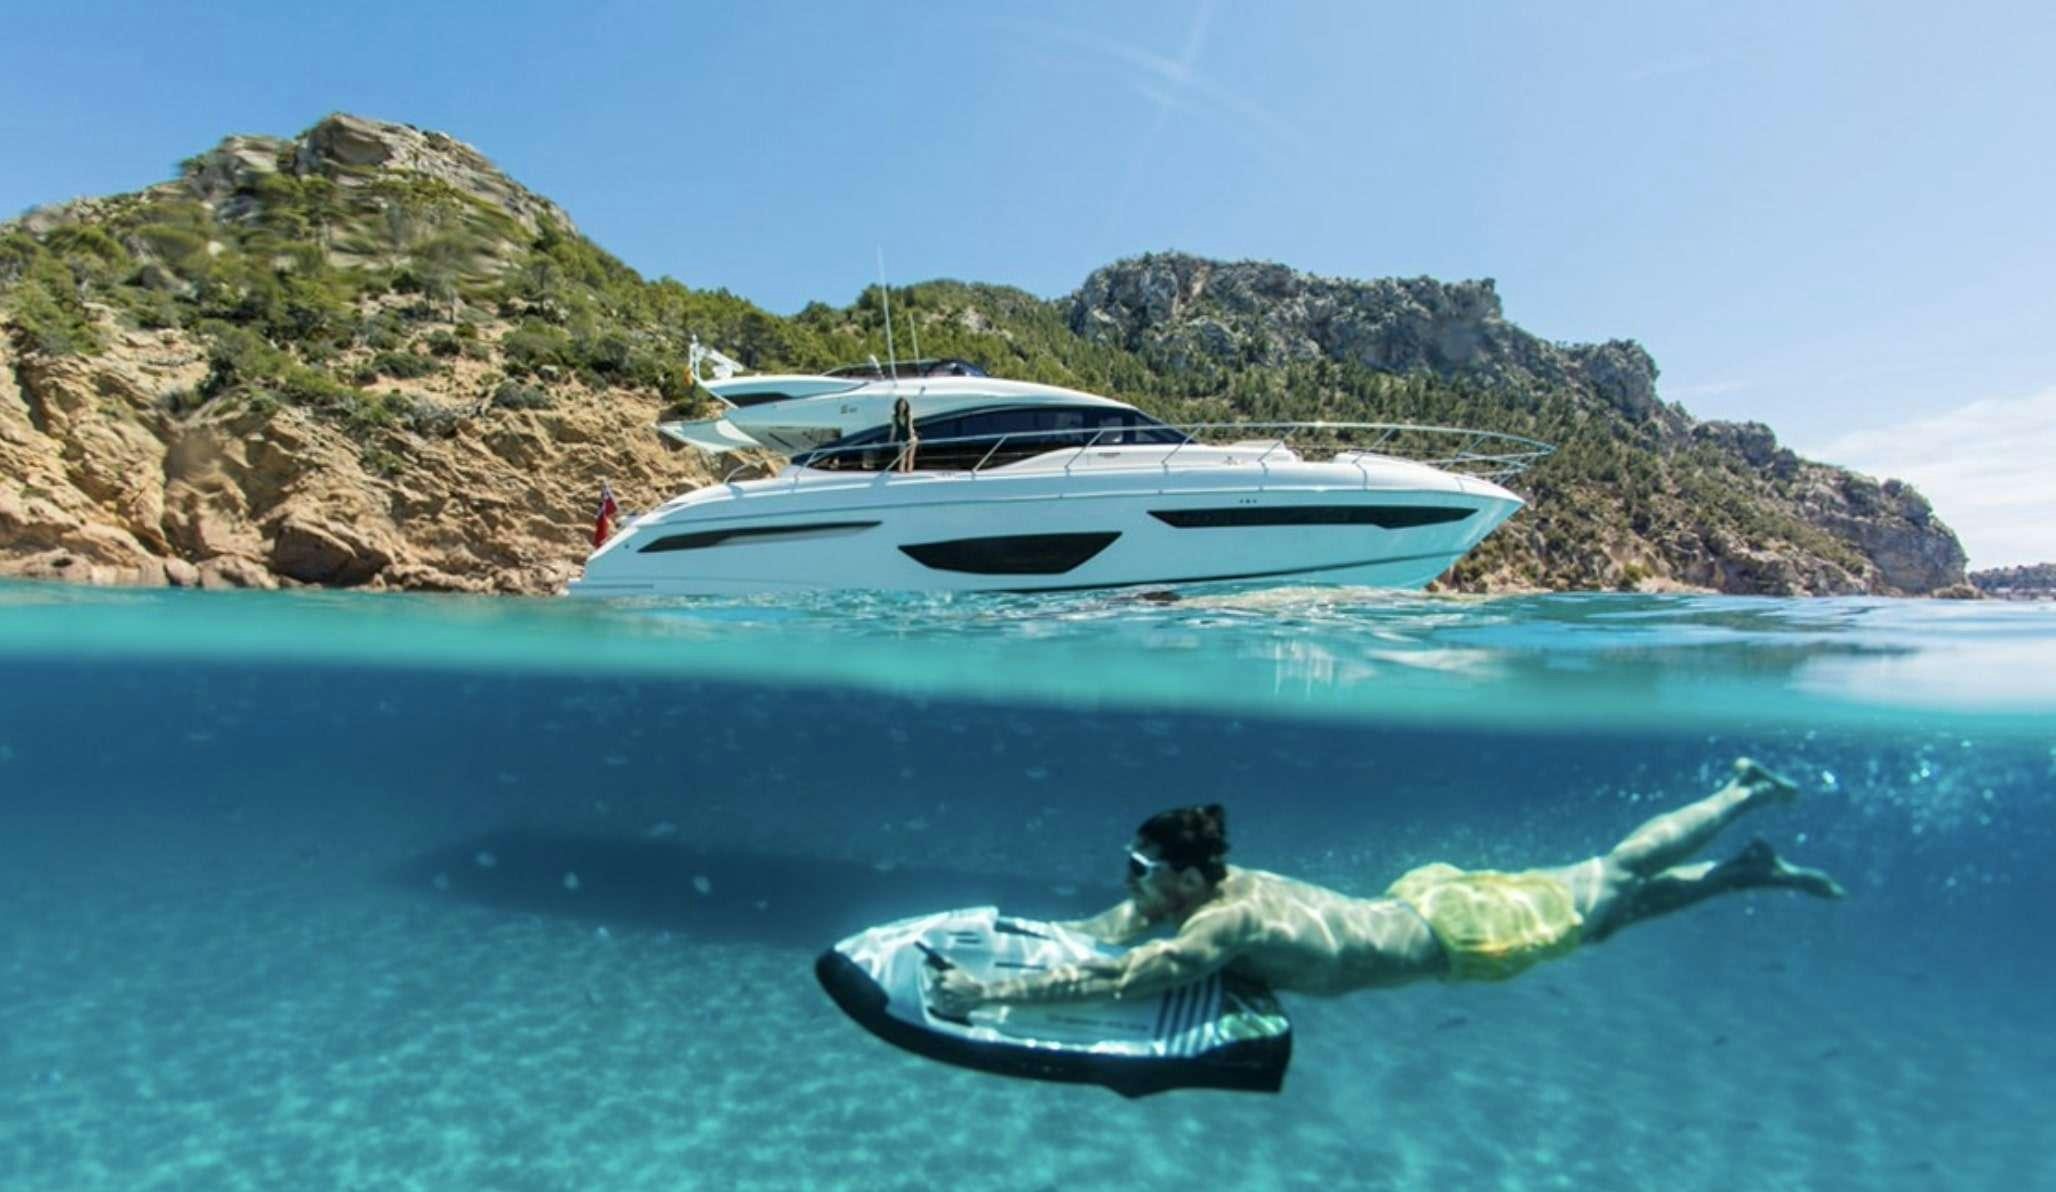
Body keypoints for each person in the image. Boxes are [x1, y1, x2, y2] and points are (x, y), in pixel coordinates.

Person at [928, 759, 1844, 1013]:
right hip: (1426, 904)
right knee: (1609, 910)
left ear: (1195, 874)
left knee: (1614, 878)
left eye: (1146, 871)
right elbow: (1109, 930)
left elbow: (1119, 978)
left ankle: (1740, 791)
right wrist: (1031, 932)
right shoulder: (1201, 889)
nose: (1132, 882)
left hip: (1464, 938)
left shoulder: (1223, 922)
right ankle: (1743, 872)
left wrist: (989, 993)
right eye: (1133, 867)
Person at [888, 395, 917, 473]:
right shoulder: (894, 416)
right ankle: (901, 472)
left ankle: (909, 472)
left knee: (910, 457)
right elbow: (894, 429)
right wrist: (891, 439)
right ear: (897, 406)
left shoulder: (909, 415)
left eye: (904, 405)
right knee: (902, 457)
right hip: (901, 437)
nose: (902, 407)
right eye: (901, 405)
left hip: (911, 436)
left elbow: (910, 427)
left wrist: (911, 438)